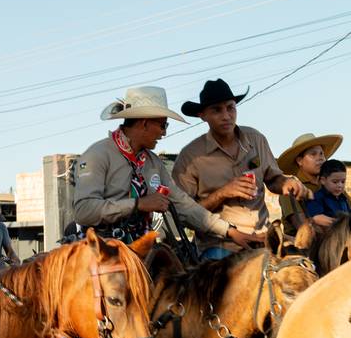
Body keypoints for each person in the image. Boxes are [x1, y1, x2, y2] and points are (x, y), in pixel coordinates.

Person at [73, 86, 255, 250]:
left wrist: (229, 231)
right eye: (162, 125)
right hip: (101, 251)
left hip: (142, 248)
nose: (164, 132)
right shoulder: (98, 155)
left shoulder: (153, 163)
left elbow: (184, 205)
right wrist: (138, 204)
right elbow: (84, 211)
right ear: (144, 123)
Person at [172, 79, 309, 259]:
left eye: (230, 108)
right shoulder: (190, 157)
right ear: (202, 115)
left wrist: (286, 183)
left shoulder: (256, 139)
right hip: (220, 246)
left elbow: (274, 179)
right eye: (217, 110)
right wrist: (222, 193)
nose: (226, 116)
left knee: (306, 266)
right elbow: (184, 213)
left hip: (264, 239)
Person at [277, 133, 343, 234]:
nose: (320, 158)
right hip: (301, 243)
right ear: (300, 161)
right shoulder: (291, 188)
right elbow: (303, 228)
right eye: (313, 154)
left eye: (321, 154)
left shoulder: (331, 185)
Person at [306, 159, 350, 228]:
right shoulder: (317, 198)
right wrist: (340, 223)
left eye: (343, 182)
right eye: (335, 182)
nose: (340, 185)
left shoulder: (343, 198)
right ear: (323, 180)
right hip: (329, 233)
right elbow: (317, 219)